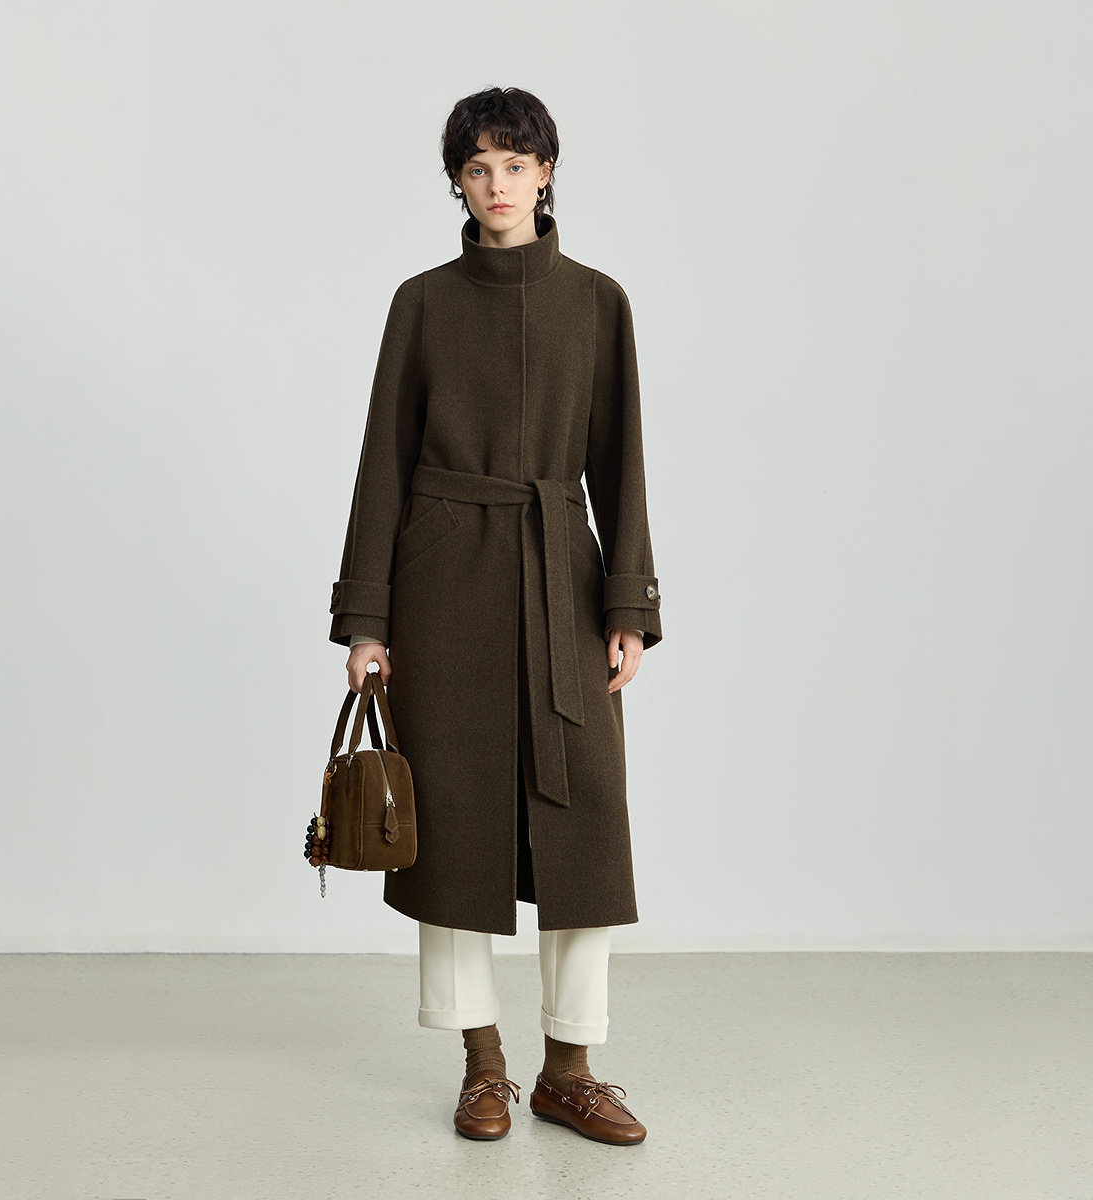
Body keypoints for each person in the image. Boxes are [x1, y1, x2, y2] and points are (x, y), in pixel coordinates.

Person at [327, 86, 663, 1145]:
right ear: (458, 183)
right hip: (444, 582)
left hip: (561, 573)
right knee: (453, 824)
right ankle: (483, 1065)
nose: (497, 184)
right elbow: (383, 461)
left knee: (586, 821)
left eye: (515, 164)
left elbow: (621, 462)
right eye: (477, 168)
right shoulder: (421, 303)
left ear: (546, 172)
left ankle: (572, 1069)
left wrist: (628, 604)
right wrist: (368, 619)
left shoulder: (599, 301)